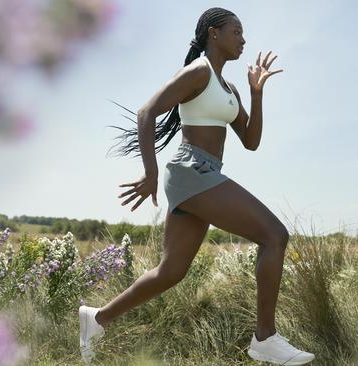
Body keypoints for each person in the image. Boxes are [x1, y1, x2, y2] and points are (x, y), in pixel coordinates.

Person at [80, 7, 315, 365]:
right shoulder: (198, 71)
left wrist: (256, 93)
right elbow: (147, 111)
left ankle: (97, 318)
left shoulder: (229, 88)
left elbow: (250, 141)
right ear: (213, 34)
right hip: (191, 171)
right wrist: (151, 172)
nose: (244, 39)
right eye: (237, 31)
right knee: (274, 235)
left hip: (204, 174)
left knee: (171, 271)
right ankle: (264, 338)